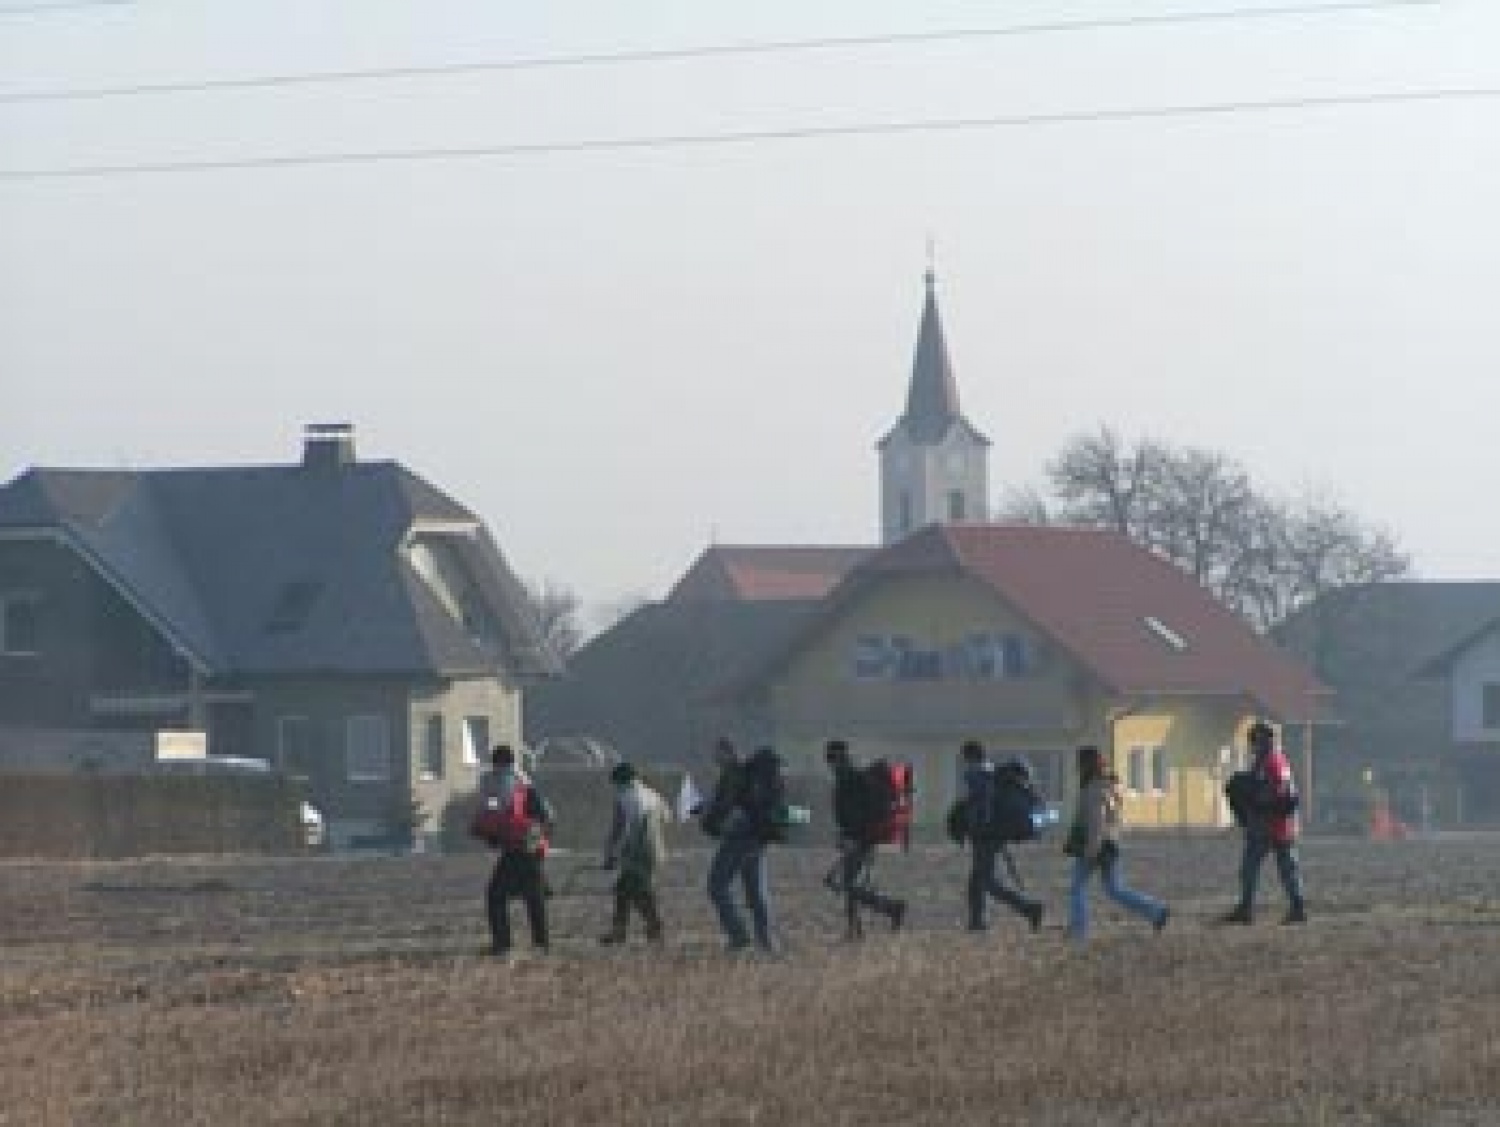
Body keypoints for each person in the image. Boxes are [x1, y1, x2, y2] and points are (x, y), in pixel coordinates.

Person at [1065, 745, 1169, 941]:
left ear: (1086, 764)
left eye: (1079, 763)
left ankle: (1079, 931)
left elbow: (1097, 820)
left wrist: (1091, 849)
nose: (1076, 767)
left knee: (1077, 888)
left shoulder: (1094, 789)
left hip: (1095, 845)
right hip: (1110, 843)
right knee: (1115, 889)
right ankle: (1157, 911)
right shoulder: (1108, 785)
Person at [1222, 721, 1307, 925]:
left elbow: (1278, 791)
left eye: (1256, 741)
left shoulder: (1272, 762)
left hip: (1269, 825)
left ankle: (1249, 909)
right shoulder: (1273, 761)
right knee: (1285, 869)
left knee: (1255, 868)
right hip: (1279, 825)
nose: (1254, 746)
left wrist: (1255, 800)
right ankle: (1295, 908)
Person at [823, 740, 906, 939]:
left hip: (860, 840)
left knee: (849, 885)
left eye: (831, 758)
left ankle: (891, 908)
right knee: (848, 883)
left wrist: (854, 837)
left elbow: (859, 814)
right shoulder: (849, 777)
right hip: (858, 838)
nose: (831, 763)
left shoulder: (851, 779)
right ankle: (855, 929)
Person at [701, 736, 777, 954]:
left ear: (727, 751)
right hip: (757, 838)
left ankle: (739, 936)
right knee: (757, 893)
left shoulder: (735, 774)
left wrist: (709, 818)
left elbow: (725, 807)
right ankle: (767, 942)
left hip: (739, 837)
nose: (714, 757)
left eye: (717, 752)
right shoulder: (751, 773)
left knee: (716, 887)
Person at [960, 740, 1044, 933]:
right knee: (976, 879)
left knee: (987, 881)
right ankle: (976, 922)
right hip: (993, 833)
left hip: (986, 835)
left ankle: (1029, 908)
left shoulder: (977, 775)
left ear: (969, 757)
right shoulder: (991, 772)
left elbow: (982, 807)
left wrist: (978, 826)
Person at [479, 744, 555, 958]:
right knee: (533, 896)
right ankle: (541, 944)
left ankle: (503, 945)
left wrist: (491, 834)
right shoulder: (524, 780)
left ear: (498, 763)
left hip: (518, 846)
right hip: (532, 844)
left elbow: (496, 813)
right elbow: (547, 816)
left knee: (495, 895)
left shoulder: (503, 782)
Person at [599, 761, 670, 946]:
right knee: (626, 890)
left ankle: (654, 929)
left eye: (615, 783)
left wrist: (613, 854)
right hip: (654, 850)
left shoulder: (626, 797)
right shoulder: (651, 793)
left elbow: (627, 829)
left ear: (620, 781)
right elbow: (667, 816)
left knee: (638, 891)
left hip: (637, 851)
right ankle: (621, 931)